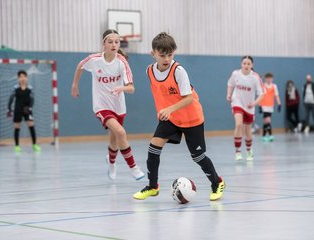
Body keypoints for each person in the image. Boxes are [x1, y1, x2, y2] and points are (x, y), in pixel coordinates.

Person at [133, 32, 225, 201]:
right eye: (162, 55)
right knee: (154, 147)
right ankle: (153, 187)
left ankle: (217, 183)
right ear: (152, 54)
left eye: (170, 54)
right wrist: (165, 110)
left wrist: (168, 108)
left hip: (191, 117)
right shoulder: (149, 71)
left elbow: (189, 98)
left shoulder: (179, 71)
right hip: (171, 117)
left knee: (197, 156)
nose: (167, 58)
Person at [71, 29, 145, 181]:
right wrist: (75, 85)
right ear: (103, 43)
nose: (114, 44)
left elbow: (131, 88)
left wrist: (121, 88)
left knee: (114, 140)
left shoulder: (122, 62)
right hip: (101, 106)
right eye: (110, 41)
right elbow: (80, 65)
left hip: (118, 106)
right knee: (121, 132)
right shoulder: (94, 59)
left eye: (117, 42)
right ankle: (134, 168)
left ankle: (111, 164)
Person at [227, 56, 264, 161]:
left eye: (248, 64)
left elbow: (261, 94)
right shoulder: (236, 74)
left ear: (252, 65)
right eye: (244, 63)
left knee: (248, 130)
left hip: (249, 106)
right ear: (241, 64)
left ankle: (248, 150)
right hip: (237, 102)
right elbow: (230, 84)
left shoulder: (256, 77)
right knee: (238, 124)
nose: (246, 65)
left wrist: (254, 103)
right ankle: (238, 151)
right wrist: (229, 94)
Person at [7, 70, 41, 153]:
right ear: (18, 78)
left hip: (27, 110)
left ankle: (34, 144)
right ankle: (17, 146)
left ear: (27, 78)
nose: (22, 78)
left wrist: (30, 107)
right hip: (18, 110)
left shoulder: (30, 89)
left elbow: (32, 99)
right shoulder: (15, 89)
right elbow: (11, 99)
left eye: (24, 76)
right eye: (20, 77)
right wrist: (9, 109)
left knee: (31, 126)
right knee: (17, 127)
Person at [259, 73, 281, 141]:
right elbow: (260, 96)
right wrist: (259, 105)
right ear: (265, 79)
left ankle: (264, 136)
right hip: (264, 105)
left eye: (270, 78)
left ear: (272, 79)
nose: (269, 80)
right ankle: (270, 135)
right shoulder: (263, 86)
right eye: (267, 78)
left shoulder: (274, 86)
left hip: (270, 106)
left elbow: (276, 95)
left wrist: (279, 104)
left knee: (266, 122)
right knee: (268, 120)